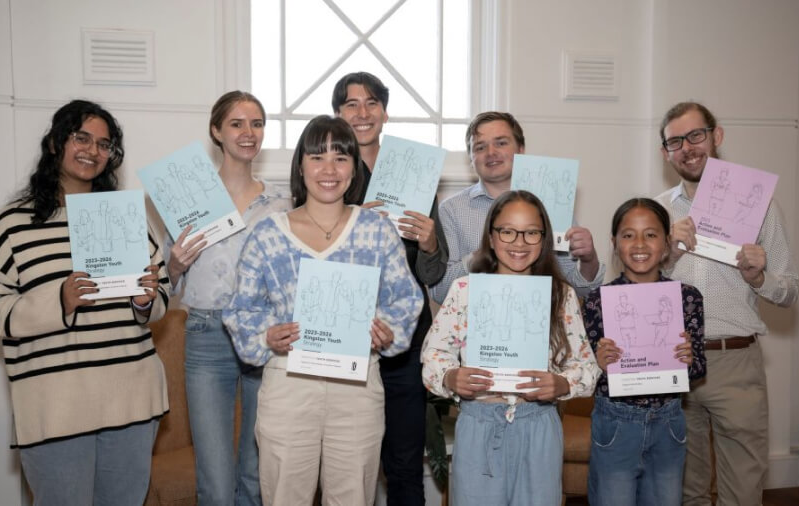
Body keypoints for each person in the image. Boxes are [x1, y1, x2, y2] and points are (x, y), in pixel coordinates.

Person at [0, 99, 168, 504]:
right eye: (82, 138)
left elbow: (160, 289)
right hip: (56, 408)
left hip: (130, 400)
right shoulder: (13, 224)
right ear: (55, 143)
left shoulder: (125, 219)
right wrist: (57, 299)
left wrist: (146, 301)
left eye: (104, 144)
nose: (93, 151)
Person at [222, 115, 423, 505]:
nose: (328, 169)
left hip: (358, 384)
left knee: (352, 497)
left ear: (353, 169)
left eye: (341, 158)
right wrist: (266, 335)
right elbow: (241, 309)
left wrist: (389, 330)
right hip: (288, 383)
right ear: (301, 165)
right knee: (285, 497)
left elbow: (406, 298)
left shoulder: (377, 230)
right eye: (317, 157)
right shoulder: (268, 233)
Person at [655, 102, 799, 505]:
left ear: (716, 136)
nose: (688, 147)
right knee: (685, 491)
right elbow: (633, 289)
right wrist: (667, 251)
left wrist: (760, 277)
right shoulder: (656, 211)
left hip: (735, 361)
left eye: (696, 135)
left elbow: (790, 290)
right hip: (674, 361)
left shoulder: (762, 206)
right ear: (665, 152)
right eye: (675, 141)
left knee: (743, 490)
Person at [421, 190, 601, 506]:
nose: (519, 242)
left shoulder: (562, 296)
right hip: (479, 424)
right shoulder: (465, 291)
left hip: (540, 425)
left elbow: (586, 365)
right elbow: (434, 355)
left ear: (544, 238)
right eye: (507, 231)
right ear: (491, 237)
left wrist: (562, 383)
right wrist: (450, 378)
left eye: (531, 232)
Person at [164, 91, 292, 505]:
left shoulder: (281, 202)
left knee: (257, 474)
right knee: (215, 483)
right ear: (216, 131)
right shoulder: (187, 198)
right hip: (206, 333)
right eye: (237, 123)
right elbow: (169, 282)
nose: (248, 132)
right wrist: (176, 265)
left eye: (256, 124)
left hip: (265, 336)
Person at [332, 71, 448, 505]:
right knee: (346, 464)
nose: (362, 113)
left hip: (406, 334)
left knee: (403, 461)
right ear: (338, 114)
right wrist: (356, 223)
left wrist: (431, 241)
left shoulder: (417, 173)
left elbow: (433, 273)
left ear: (384, 110)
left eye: (371, 103)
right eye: (350, 104)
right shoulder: (329, 173)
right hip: (348, 330)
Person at [581, 198, 707, 506]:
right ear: (614, 243)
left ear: (666, 242)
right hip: (615, 422)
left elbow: (699, 367)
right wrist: (598, 362)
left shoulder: (687, 298)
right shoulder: (598, 301)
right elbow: (583, 371)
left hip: (668, 422)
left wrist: (689, 360)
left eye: (650, 234)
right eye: (628, 235)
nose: (640, 243)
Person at [432, 111, 604, 304]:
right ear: (471, 159)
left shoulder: (552, 201)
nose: (491, 153)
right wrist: (483, 253)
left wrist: (589, 261)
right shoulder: (451, 210)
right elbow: (440, 293)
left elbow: (579, 290)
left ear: (521, 149)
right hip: (475, 323)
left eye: (501, 143)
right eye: (480, 147)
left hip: (541, 321)